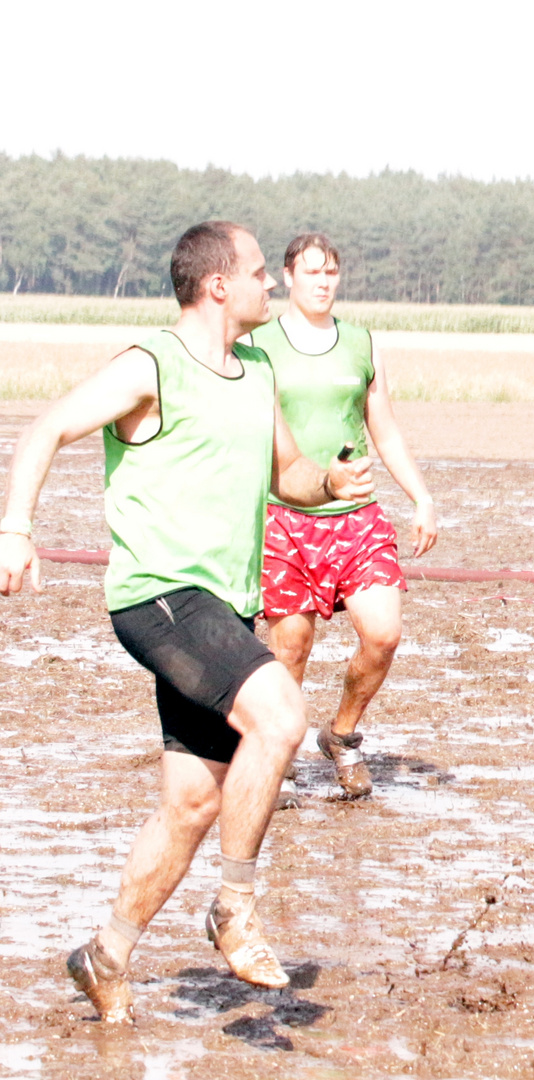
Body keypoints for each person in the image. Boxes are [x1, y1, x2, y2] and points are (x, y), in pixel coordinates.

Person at [0, 221, 374, 1022]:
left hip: (225, 610)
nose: (267, 288)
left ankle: (104, 955)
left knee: (193, 804)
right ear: (217, 286)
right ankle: (233, 907)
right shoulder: (151, 366)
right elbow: (43, 430)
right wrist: (16, 531)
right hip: (160, 596)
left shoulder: (258, 371)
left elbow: (291, 476)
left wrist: (331, 478)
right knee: (281, 717)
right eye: (256, 275)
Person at [250, 234, 438, 801]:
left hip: (356, 515)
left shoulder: (361, 342)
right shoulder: (258, 345)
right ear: (287, 277)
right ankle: (277, 751)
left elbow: (383, 427)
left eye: (331, 271)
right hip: (285, 517)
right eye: (311, 271)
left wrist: (422, 497)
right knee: (291, 652)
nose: (323, 281)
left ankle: (343, 733)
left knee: (383, 636)